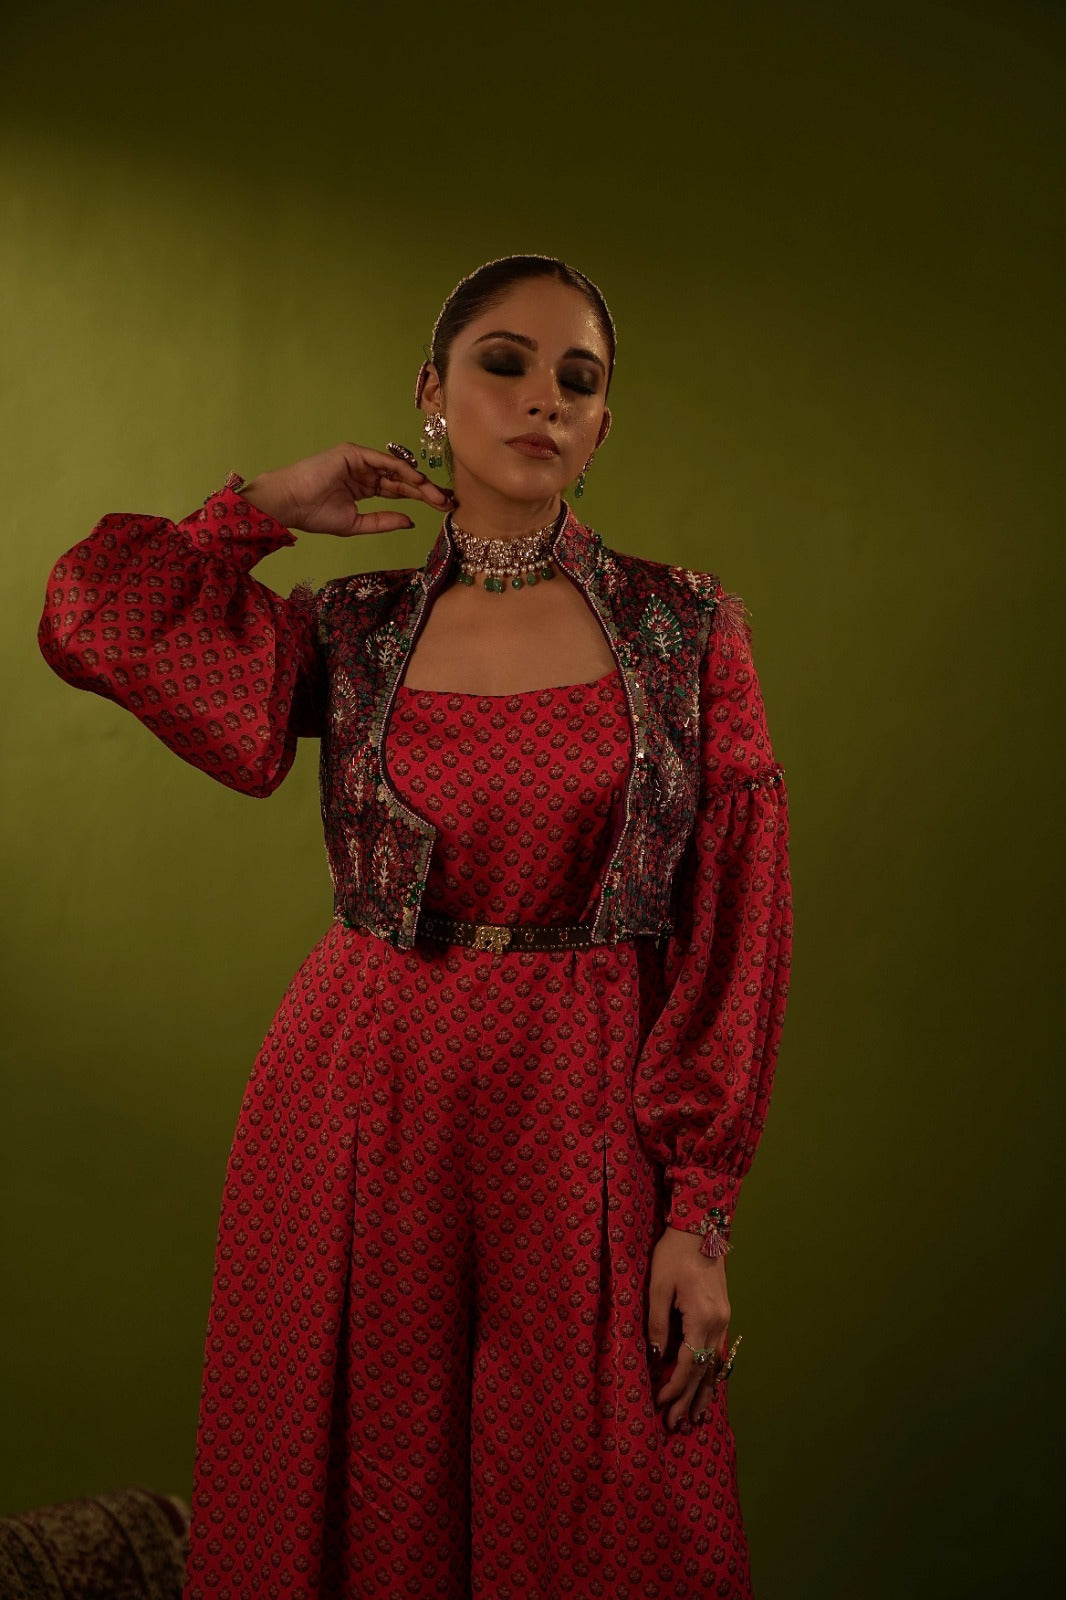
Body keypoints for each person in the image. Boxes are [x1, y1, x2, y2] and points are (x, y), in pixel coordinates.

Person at [38, 254, 794, 1599]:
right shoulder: (356, 629)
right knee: (360, 1491)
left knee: (606, 1501)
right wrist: (261, 508)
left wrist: (701, 1212)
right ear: (431, 394)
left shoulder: (685, 628)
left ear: (602, 426)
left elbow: (740, 915)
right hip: (358, 1098)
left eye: (578, 380)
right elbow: (93, 615)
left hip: (581, 1111)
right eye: (504, 363)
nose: (543, 399)